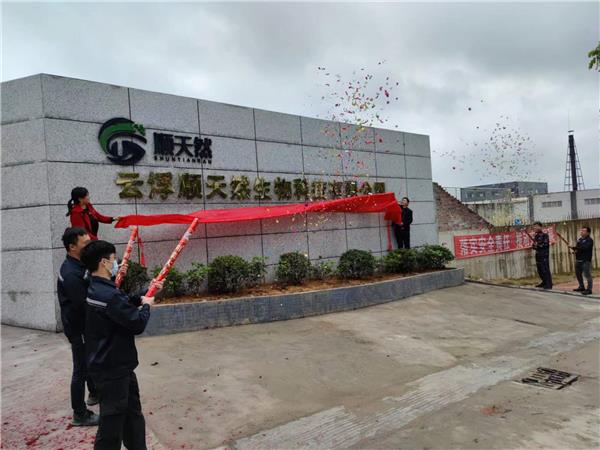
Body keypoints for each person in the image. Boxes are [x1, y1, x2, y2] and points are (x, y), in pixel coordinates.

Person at [81, 240, 161, 450]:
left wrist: (146, 293)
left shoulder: (97, 287)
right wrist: (147, 306)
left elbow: (122, 302)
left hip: (117, 365)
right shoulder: (108, 295)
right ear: (103, 262)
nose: (116, 263)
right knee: (111, 424)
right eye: (113, 259)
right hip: (112, 368)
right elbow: (136, 323)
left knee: (132, 415)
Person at [57, 228, 100, 426]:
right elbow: (83, 306)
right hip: (78, 328)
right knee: (80, 369)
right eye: (85, 244)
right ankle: (80, 413)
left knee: (89, 360)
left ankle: (94, 392)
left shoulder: (81, 264)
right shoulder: (71, 273)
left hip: (83, 325)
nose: (89, 247)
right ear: (72, 247)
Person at [571, 226, 594, 295]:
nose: (581, 232)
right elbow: (578, 249)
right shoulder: (579, 240)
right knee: (578, 274)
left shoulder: (589, 240)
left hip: (585, 260)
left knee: (587, 275)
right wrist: (575, 251)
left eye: (583, 231)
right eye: (581, 230)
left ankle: (589, 289)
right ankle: (581, 286)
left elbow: (585, 248)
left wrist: (576, 248)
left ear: (588, 233)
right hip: (578, 260)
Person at [532, 221, 552, 290]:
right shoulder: (536, 236)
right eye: (534, 226)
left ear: (540, 227)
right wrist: (534, 245)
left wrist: (538, 245)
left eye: (536, 226)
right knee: (540, 270)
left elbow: (545, 245)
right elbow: (534, 247)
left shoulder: (545, 235)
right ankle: (544, 282)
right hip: (538, 255)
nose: (534, 228)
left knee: (545, 270)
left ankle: (548, 284)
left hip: (544, 255)